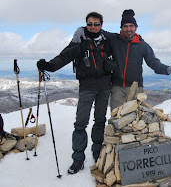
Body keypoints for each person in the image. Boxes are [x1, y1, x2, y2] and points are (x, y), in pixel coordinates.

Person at [37, 12, 115, 174]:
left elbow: (123, 40)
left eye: (96, 24)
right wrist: (49, 65)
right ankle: (78, 159)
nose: (93, 27)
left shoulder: (107, 41)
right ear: (86, 24)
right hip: (87, 86)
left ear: (101, 25)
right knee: (81, 123)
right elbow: (64, 56)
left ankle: (97, 152)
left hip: (105, 86)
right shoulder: (79, 41)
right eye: (89, 24)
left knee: (100, 120)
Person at [72, 9, 171, 110]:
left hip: (136, 87)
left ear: (136, 27)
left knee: (136, 120)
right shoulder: (114, 39)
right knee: (117, 119)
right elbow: (96, 29)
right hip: (117, 87)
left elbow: (153, 63)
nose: (128, 29)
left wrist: (167, 69)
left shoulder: (142, 45)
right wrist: (81, 29)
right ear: (121, 28)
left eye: (131, 26)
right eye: (125, 26)